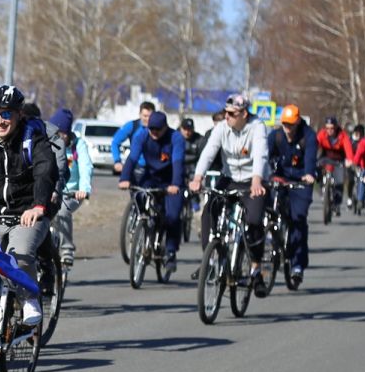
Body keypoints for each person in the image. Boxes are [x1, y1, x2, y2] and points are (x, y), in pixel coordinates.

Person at [0, 84, 57, 340]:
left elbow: (44, 171)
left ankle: (29, 299)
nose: (0, 120)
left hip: (26, 213)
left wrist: (38, 205)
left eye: (6, 114)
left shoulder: (32, 140)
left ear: (18, 114)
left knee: (21, 254)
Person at [188, 92, 269, 261]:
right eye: (226, 112)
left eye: (232, 114)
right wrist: (198, 177)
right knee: (209, 211)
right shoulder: (222, 128)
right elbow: (208, 153)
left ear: (244, 114)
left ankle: (255, 267)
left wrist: (256, 180)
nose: (227, 117)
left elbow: (261, 154)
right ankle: (210, 258)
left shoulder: (257, 127)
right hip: (229, 179)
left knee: (254, 221)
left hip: (252, 181)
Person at [115, 111, 185, 270]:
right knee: (139, 194)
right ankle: (145, 227)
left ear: (165, 127)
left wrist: (175, 184)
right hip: (151, 176)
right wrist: (124, 178)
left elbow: (177, 162)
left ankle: (170, 251)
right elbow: (132, 158)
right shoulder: (142, 136)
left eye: (157, 130)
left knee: (172, 216)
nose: (154, 132)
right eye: (151, 129)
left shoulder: (176, 138)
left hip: (171, 179)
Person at [268, 103, 319, 284]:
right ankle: (270, 246)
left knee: (298, 219)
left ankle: (298, 265)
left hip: (300, 182)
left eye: (291, 125)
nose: (287, 129)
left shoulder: (308, 136)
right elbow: (266, 157)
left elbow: (311, 158)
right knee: (269, 212)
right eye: (285, 124)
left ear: (297, 122)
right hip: (280, 180)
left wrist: (309, 174)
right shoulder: (276, 136)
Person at [46, 105, 93, 270]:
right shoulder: (45, 142)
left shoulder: (78, 145)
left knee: (63, 212)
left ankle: (67, 250)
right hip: (49, 191)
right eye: (56, 133)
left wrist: (84, 189)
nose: (58, 137)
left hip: (71, 193)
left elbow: (86, 167)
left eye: (62, 134)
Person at [317, 115, 353, 215]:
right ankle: (321, 187)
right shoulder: (322, 134)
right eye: (327, 128)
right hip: (326, 158)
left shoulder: (342, 136)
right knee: (316, 168)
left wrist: (349, 160)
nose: (329, 130)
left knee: (339, 181)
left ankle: (337, 203)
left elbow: (348, 149)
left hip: (338, 160)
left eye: (332, 128)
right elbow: (315, 144)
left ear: (336, 127)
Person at [110, 99, 158, 173]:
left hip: (155, 167)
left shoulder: (160, 128)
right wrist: (117, 161)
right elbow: (115, 142)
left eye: (150, 116)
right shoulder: (132, 126)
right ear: (140, 114)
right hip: (136, 166)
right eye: (145, 116)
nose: (147, 119)